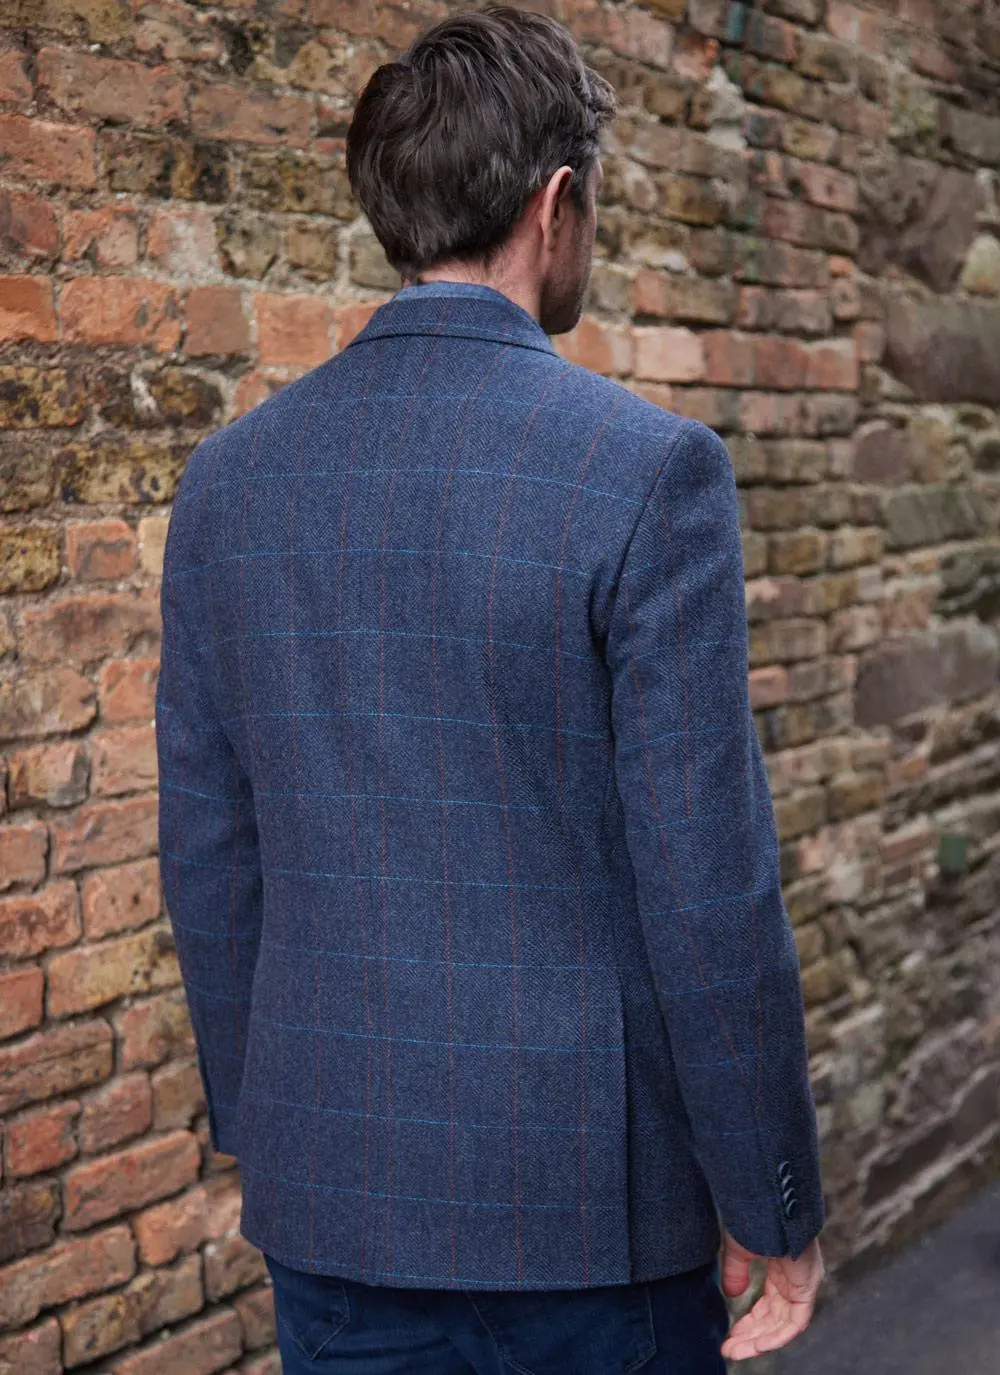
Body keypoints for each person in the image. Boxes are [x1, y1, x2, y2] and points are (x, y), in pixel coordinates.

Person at [155, 7, 826, 1371]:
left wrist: (271, 1123)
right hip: (588, 1215)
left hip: (333, 1190)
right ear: (556, 203)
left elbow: (211, 852)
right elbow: (705, 878)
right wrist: (771, 1199)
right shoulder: (648, 472)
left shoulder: (228, 483)